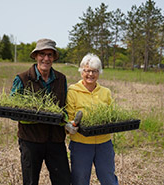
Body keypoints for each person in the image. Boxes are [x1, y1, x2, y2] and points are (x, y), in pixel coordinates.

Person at [10, 38, 70, 185]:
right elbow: (12, 108)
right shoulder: (22, 79)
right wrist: (33, 116)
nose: (46, 58)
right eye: (42, 54)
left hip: (56, 140)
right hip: (31, 140)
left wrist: (68, 122)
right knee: (30, 182)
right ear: (36, 56)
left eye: (50, 55)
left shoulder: (61, 79)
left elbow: (65, 106)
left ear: (54, 58)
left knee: (63, 181)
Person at [65, 53, 119, 185]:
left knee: (108, 178)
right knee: (80, 180)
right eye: (87, 70)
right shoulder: (73, 91)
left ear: (99, 72)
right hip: (81, 144)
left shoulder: (105, 92)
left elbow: (111, 114)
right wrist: (70, 126)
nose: (90, 74)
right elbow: (70, 116)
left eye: (94, 71)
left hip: (104, 143)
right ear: (81, 71)